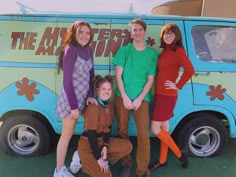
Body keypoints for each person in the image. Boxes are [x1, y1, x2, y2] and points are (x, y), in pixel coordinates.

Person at [112, 19, 158, 177]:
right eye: (134, 30)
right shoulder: (124, 51)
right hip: (121, 97)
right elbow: (118, 75)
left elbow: (150, 79)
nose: (137, 32)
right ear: (131, 32)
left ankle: (143, 169)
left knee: (143, 134)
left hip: (142, 99)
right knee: (122, 131)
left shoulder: (152, 54)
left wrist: (139, 99)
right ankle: (126, 163)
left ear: (145, 31)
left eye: (140, 29)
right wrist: (125, 97)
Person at [53, 20, 97, 177]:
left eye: (87, 33)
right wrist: (73, 107)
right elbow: (67, 82)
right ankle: (58, 170)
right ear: (74, 33)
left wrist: (91, 95)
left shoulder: (89, 50)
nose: (84, 36)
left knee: (93, 129)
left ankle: (78, 156)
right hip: (71, 100)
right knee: (67, 134)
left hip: (85, 99)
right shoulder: (70, 50)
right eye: (81, 32)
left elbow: (91, 76)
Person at [149, 24, 195, 171]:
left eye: (171, 34)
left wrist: (178, 85)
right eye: (166, 33)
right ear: (162, 36)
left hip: (167, 96)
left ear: (177, 36)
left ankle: (179, 154)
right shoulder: (164, 51)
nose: (168, 36)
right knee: (164, 127)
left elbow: (190, 70)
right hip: (160, 94)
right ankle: (163, 160)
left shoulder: (178, 51)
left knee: (155, 129)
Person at [78, 75, 133, 177]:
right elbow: (91, 135)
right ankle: (83, 160)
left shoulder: (110, 106)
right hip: (88, 144)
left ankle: (101, 159)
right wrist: (99, 159)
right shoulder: (93, 107)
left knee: (127, 146)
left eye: (109, 89)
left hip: (101, 141)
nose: (106, 91)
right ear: (98, 90)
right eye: (103, 89)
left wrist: (105, 146)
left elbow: (108, 130)